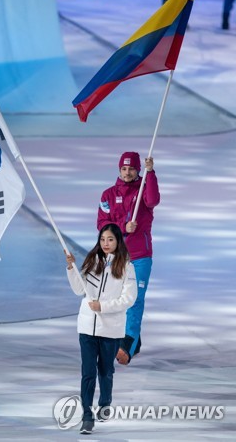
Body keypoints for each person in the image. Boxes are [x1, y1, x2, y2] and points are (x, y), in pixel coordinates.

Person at [65, 223, 137, 435]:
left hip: (110, 330)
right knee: (88, 372)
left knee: (105, 371)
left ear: (118, 242)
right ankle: (87, 416)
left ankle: (105, 402)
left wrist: (103, 307)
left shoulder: (126, 267)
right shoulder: (92, 260)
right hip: (87, 328)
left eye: (110, 240)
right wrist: (71, 268)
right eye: (103, 239)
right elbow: (79, 289)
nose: (106, 244)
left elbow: (129, 299)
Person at [97, 152, 160, 366]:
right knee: (117, 300)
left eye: (131, 168)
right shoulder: (107, 195)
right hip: (117, 258)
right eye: (124, 169)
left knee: (135, 301)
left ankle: (128, 345)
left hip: (140, 257)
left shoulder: (143, 190)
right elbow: (101, 225)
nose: (127, 172)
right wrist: (123, 227)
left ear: (137, 169)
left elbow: (153, 200)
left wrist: (150, 173)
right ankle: (134, 339)